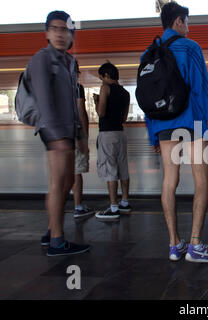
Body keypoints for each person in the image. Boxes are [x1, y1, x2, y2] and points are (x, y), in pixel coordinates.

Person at [143, 2, 208, 263]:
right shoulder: (190, 48)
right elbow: (202, 91)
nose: (188, 27)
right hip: (192, 122)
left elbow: (146, 97)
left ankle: (173, 245)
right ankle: (195, 245)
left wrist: (152, 133)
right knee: (201, 179)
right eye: (187, 21)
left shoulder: (150, 52)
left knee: (170, 180)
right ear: (178, 21)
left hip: (164, 125)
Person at [32, 11, 90, 256]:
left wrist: (80, 135)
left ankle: (51, 229)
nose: (60, 33)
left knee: (67, 181)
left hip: (67, 131)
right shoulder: (42, 59)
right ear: (47, 33)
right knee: (58, 183)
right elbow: (44, 101)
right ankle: (56, 241)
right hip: (54, 131)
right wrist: (58, 139)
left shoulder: (67, 62)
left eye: (65, 29)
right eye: (55, 28)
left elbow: (72, 104)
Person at [93, 62, 131, 220]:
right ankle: (124, 202)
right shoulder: (125, 92)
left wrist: (97, 101)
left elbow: (101, 113)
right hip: (120, 133)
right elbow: (124, 118)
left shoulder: (105, 88)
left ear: (106, 76)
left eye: (101, 77)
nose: (101, 80)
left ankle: (113, 207)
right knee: (123, 168)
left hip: (107, 134)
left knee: (110, 169)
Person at [71, 60, 95, 218]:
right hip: (74, 133)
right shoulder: (76, 88)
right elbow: (81, 111)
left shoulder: (54, 87)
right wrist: (85, 137)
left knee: (60, 173)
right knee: (76, 172)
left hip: (57, 135)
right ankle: (78, 206)